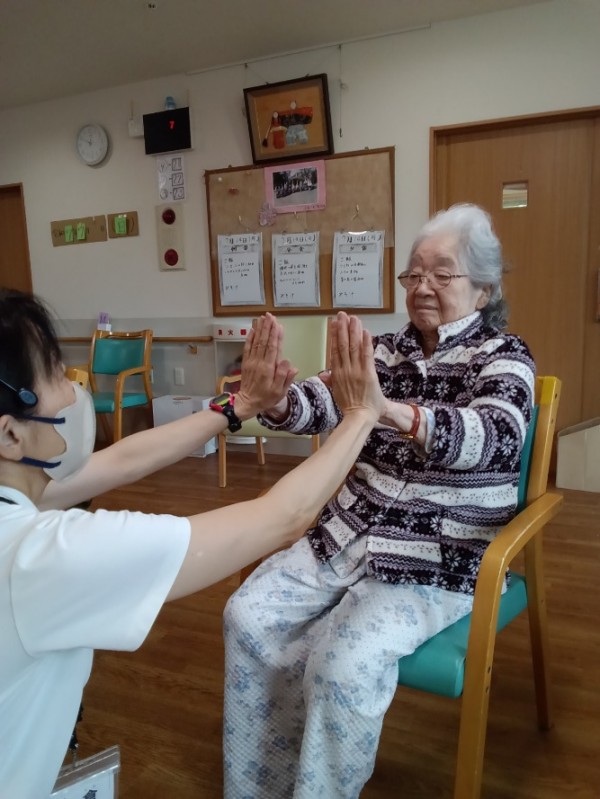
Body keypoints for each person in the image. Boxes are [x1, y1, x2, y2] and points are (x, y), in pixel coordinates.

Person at [0, 288, 386, 799]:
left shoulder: (17, 502)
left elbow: (121, 460)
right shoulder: (39, 557)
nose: (76, 389)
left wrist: (237, 406)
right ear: (10, 435)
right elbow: (283, 517)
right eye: (56, 374)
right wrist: (361, 415)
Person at [222, 204, 536, 798]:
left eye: (442, 274)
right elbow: (322, 401)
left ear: (484, 287)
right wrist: (273, 398)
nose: (422, 286)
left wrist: (388, 411)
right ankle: (260, 786)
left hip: (438, 554)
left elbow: (496, 436)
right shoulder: (385, 351)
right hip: (347, 535)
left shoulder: (504, 356)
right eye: (413, 273)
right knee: (248, 615)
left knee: (341, 666)